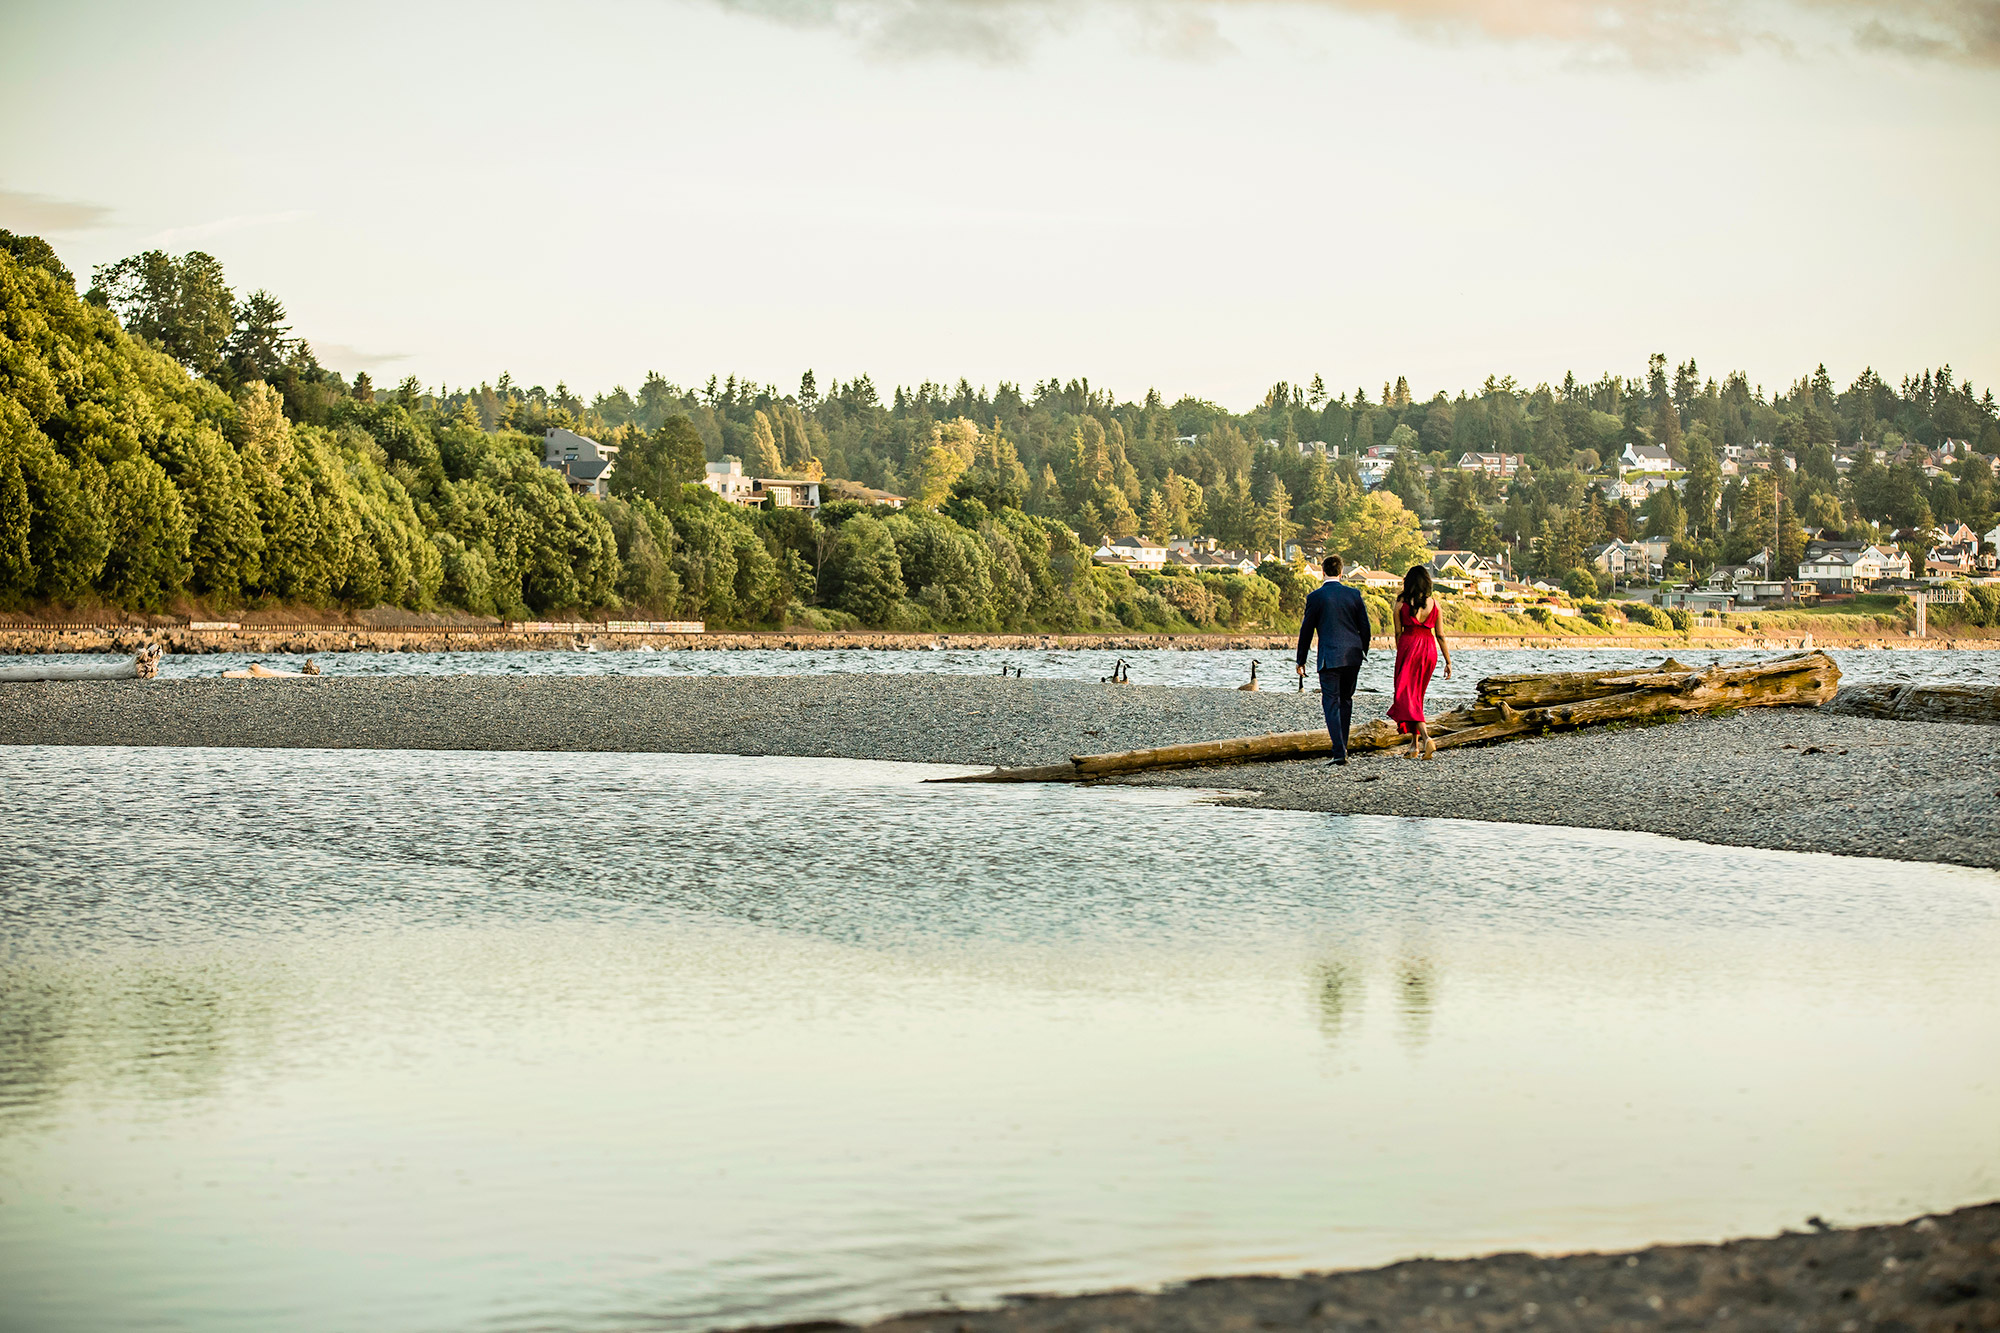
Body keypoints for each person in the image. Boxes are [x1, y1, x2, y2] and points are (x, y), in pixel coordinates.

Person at [1295, 554, 1373, 766]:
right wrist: (1362, 650)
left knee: (1331, 703)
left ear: (1323, 572)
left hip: (1329, 657)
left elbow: (1306, 631)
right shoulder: (1354, 594)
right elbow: (1365, 627)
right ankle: (1343, 746)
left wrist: (1301, 659)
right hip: (1353, 656)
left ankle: (1339, 751)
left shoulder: (1315, 597)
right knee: (1346, 700)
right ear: (1341, 573)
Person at [1389, 565, 1453, 759]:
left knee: (1406, 696)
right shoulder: (1435, 604)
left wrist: (1402, 652)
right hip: (1429, 649)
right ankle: (1413, 747)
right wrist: (1448, 661)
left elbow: (1398, 632)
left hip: (1409, 646)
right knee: (1416, 696)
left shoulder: (1401, 603)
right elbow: (1440, 635)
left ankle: (1426, 739)